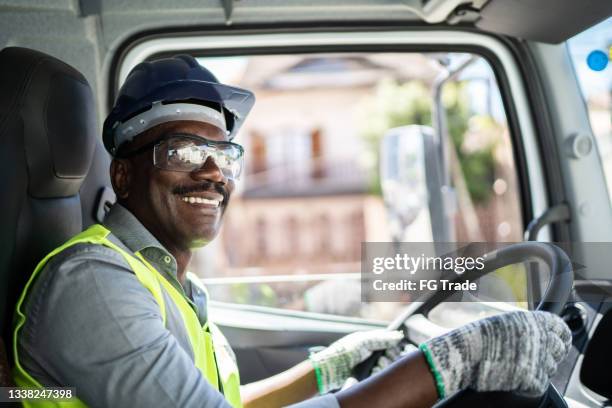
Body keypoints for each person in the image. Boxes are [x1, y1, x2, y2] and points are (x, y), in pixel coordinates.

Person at [12, 55, 572, 408]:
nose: (211, 172)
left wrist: (324, 370)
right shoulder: (94, 284)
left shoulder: (171, 283)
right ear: (124, 173)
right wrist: (442, 366)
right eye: (183, 151)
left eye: (223, 155)